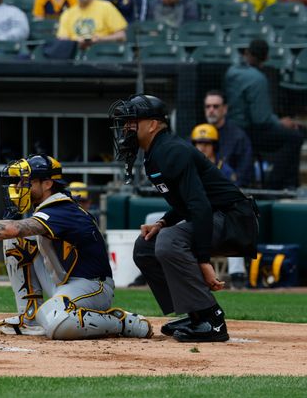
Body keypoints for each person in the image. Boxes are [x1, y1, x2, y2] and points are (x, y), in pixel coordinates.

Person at [0, 155, 152, 339]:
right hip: (64, 283)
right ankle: (29, 318)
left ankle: (122, 321)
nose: (20, 186)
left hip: (93, 287)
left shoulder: (63, 209)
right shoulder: (47, 208)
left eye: (26, 181)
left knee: (57, 324)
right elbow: (14, 233)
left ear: (48, 183)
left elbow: (14, 228)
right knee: (16, 242)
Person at [109, 94, 259, 342]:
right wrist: (162, 222)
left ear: (154, 124)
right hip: (215, 216)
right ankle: (196, 313)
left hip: (235, 219)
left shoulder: (171, 150)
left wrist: (203, 260)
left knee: (168, 241)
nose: (126, 128)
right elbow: (186, 203)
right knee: (145, 246)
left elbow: (200, 206)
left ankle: (212, 319)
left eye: (132, 121)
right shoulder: (156, 152)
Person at [225, 40, 305, 190]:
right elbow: (260, 119)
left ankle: (289, 184)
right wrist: (280, 122)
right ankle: (276, 185)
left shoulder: (232, 71)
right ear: (267, 58)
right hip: (250, 133)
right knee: (295, 137)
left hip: (233, 129)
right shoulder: (258, 79)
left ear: (247, 53)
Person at [190, 123, 248, 289]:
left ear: (214, 146)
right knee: (154, 219)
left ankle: (238, 276)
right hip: (196, 214)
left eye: (207, 143)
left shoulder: (225, 169)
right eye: (199, 143)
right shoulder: (189, 167)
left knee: (235, 227)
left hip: (221, 215)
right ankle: (150, 269)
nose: (202, 147)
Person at [56, 0, 127, 52]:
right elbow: (63, 41)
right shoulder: (67, 14)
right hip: (74, 57)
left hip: (102, 54)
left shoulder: (106, 7)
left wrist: (101, 39)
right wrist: (76, 42)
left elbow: (121, 36)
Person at [203, 90, 254, 188]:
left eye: (216, 106)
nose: (211, 110)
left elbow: (244, 174)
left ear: (225, 109)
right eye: (208, 106)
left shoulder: (238, 137)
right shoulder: (197, 134)